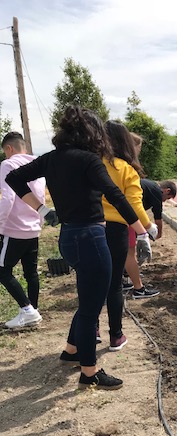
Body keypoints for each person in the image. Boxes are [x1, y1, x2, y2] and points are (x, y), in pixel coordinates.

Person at [6, 105, 151, 390]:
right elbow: (117, 197)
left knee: (87, 298)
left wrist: (42, 210)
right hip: (92, 238)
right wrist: (142, 231)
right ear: (92, 133)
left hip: (68, 237)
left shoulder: (50, 159)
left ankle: (72, 350)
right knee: (90, 307)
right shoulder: (89, 160)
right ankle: (89, 372)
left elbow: (13, 178)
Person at [100, 120, 159, 351]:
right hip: (116, 229)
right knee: (114, 285)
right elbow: (134, 203)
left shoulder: (92, 163)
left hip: (91, 227)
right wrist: (147, 226)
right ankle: (116, 337)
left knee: (92, 284)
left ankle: (92, 331)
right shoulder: (125, 168)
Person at [0, 132, 48, 329]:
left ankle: (27, 310)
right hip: (33, 226)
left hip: (14, 228)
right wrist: (40, 220)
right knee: (31, 271)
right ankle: (33, 310)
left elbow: (8, 198)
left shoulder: (8, 165)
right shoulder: (37, 164)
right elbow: (41, 197)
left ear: (9, 148)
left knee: (2, 270)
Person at [123, 178, 176, 299]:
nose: (165, 201)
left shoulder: (146, 186)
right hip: (126, 218)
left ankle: (125, 274)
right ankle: (138, 289)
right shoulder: (156, 191)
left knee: (123, 251)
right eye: (167, 198)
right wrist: (154, 232)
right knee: (130, 253)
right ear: (167, 191)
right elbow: (157, 217)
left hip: (118, 217)